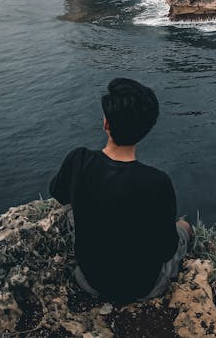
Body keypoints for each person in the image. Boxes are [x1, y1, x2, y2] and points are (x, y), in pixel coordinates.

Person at [49, 77, 191, 304]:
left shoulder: (79, 159)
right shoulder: (157, 182)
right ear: (146, 130)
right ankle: (187, 228)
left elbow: (58, 193)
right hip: (144, 287)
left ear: (106, 124)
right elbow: (166, 250)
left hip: (88, 280)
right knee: (183, 227)